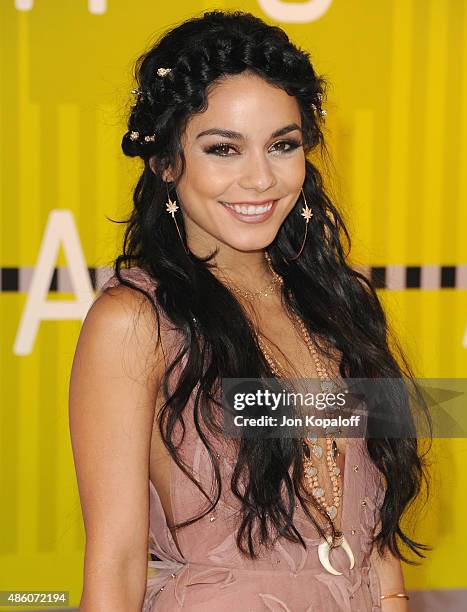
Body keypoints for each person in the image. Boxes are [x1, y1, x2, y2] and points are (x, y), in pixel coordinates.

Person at [69, 10, 429, 611]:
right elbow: (116, 566)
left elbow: (378, 554)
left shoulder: (343, 305)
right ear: (165, 162)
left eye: (282, 145)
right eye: (223, 148)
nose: (260, 179)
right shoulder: (136, 322)